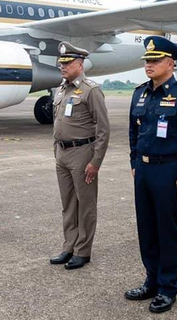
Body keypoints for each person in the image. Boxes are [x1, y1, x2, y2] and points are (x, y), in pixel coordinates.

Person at [125, 36, 177, 314]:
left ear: (170, 63)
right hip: (144, 171)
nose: (149, 65)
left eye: (155, 60)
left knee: (167, 230)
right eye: (147, 61)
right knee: (146, 228)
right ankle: (151, 280)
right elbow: (133, 133)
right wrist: (135, 162)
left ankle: (167, 287)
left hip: (170, 171)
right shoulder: (139, 93)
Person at [49, 42, 110, 270]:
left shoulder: (90, 90)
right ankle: (69, 246)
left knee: (85, 204)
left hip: (82, 153)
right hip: (62, 154)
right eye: (61, 63)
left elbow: (103, 130)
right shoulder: (62, 89)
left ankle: (83, 251)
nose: (62, 66)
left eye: (67, 63)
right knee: (68, 204)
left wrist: (95, 161)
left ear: (80, 64)